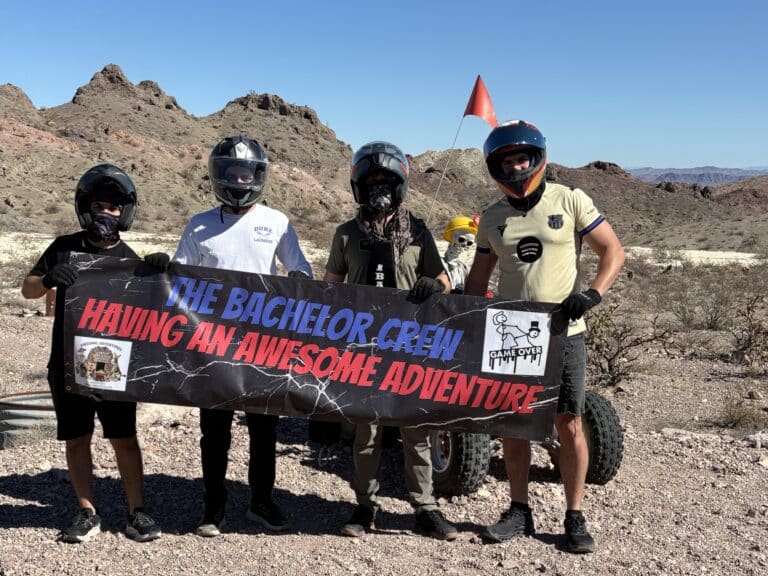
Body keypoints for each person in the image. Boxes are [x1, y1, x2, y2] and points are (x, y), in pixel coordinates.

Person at [464, 120, 625, 553]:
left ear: (537, 159)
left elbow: (612, 250)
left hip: (564, 331)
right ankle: (519, 510)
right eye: (507, 161)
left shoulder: (570, 200)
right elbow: (478, 280)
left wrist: (592, 294)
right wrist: (462, 316)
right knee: (513, 424)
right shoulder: (493, 217)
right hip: (513, 333)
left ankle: (575, 516)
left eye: (522, 158)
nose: (516, 167)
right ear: (496, 167)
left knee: (568, 422)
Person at [172, 134, 312, 537]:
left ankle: (261, 502)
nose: (238, 178)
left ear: (258, 175)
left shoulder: (277, 222)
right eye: (231, 172)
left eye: (245, 172)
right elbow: (181, 278)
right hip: (210, 344)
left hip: (262, 344)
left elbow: (298, 270)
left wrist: (302, 282)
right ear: (218, 176)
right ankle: (212, 506)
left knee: (263, 429)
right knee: (213, 430)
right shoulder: (198, 224)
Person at [22, 164, 169, 543]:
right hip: (70, 363)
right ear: (86, 207)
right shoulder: (63, 247)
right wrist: (49, 279)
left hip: (113, 366)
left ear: (126, 213)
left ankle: (137, 511)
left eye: (114, 207)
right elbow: (28, 289)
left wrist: (159, 271)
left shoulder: (129, 256)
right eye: (100, 205)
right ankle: (86, 510)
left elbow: (159, 307)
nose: (107, 213)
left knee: (123, 438)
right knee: (77, 437)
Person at [324, 141, 458, 541]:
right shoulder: (346, 235)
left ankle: (425, 508)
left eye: (387, 181)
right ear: (358, 187)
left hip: (410, 347)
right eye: (372, 181)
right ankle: (364, 505)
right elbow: (330, 288)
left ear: (400, 185)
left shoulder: (418, 232)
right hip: (363, 349)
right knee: (366, 433)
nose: (379, 188)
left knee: (416, 429)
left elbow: (446, 281)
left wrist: (433, 283)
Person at [441, 215, 479, 293]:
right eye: (461, 239)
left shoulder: (464, 269)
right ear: (452, 237)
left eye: (469, 243)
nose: (464, 245)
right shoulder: (437, 263)